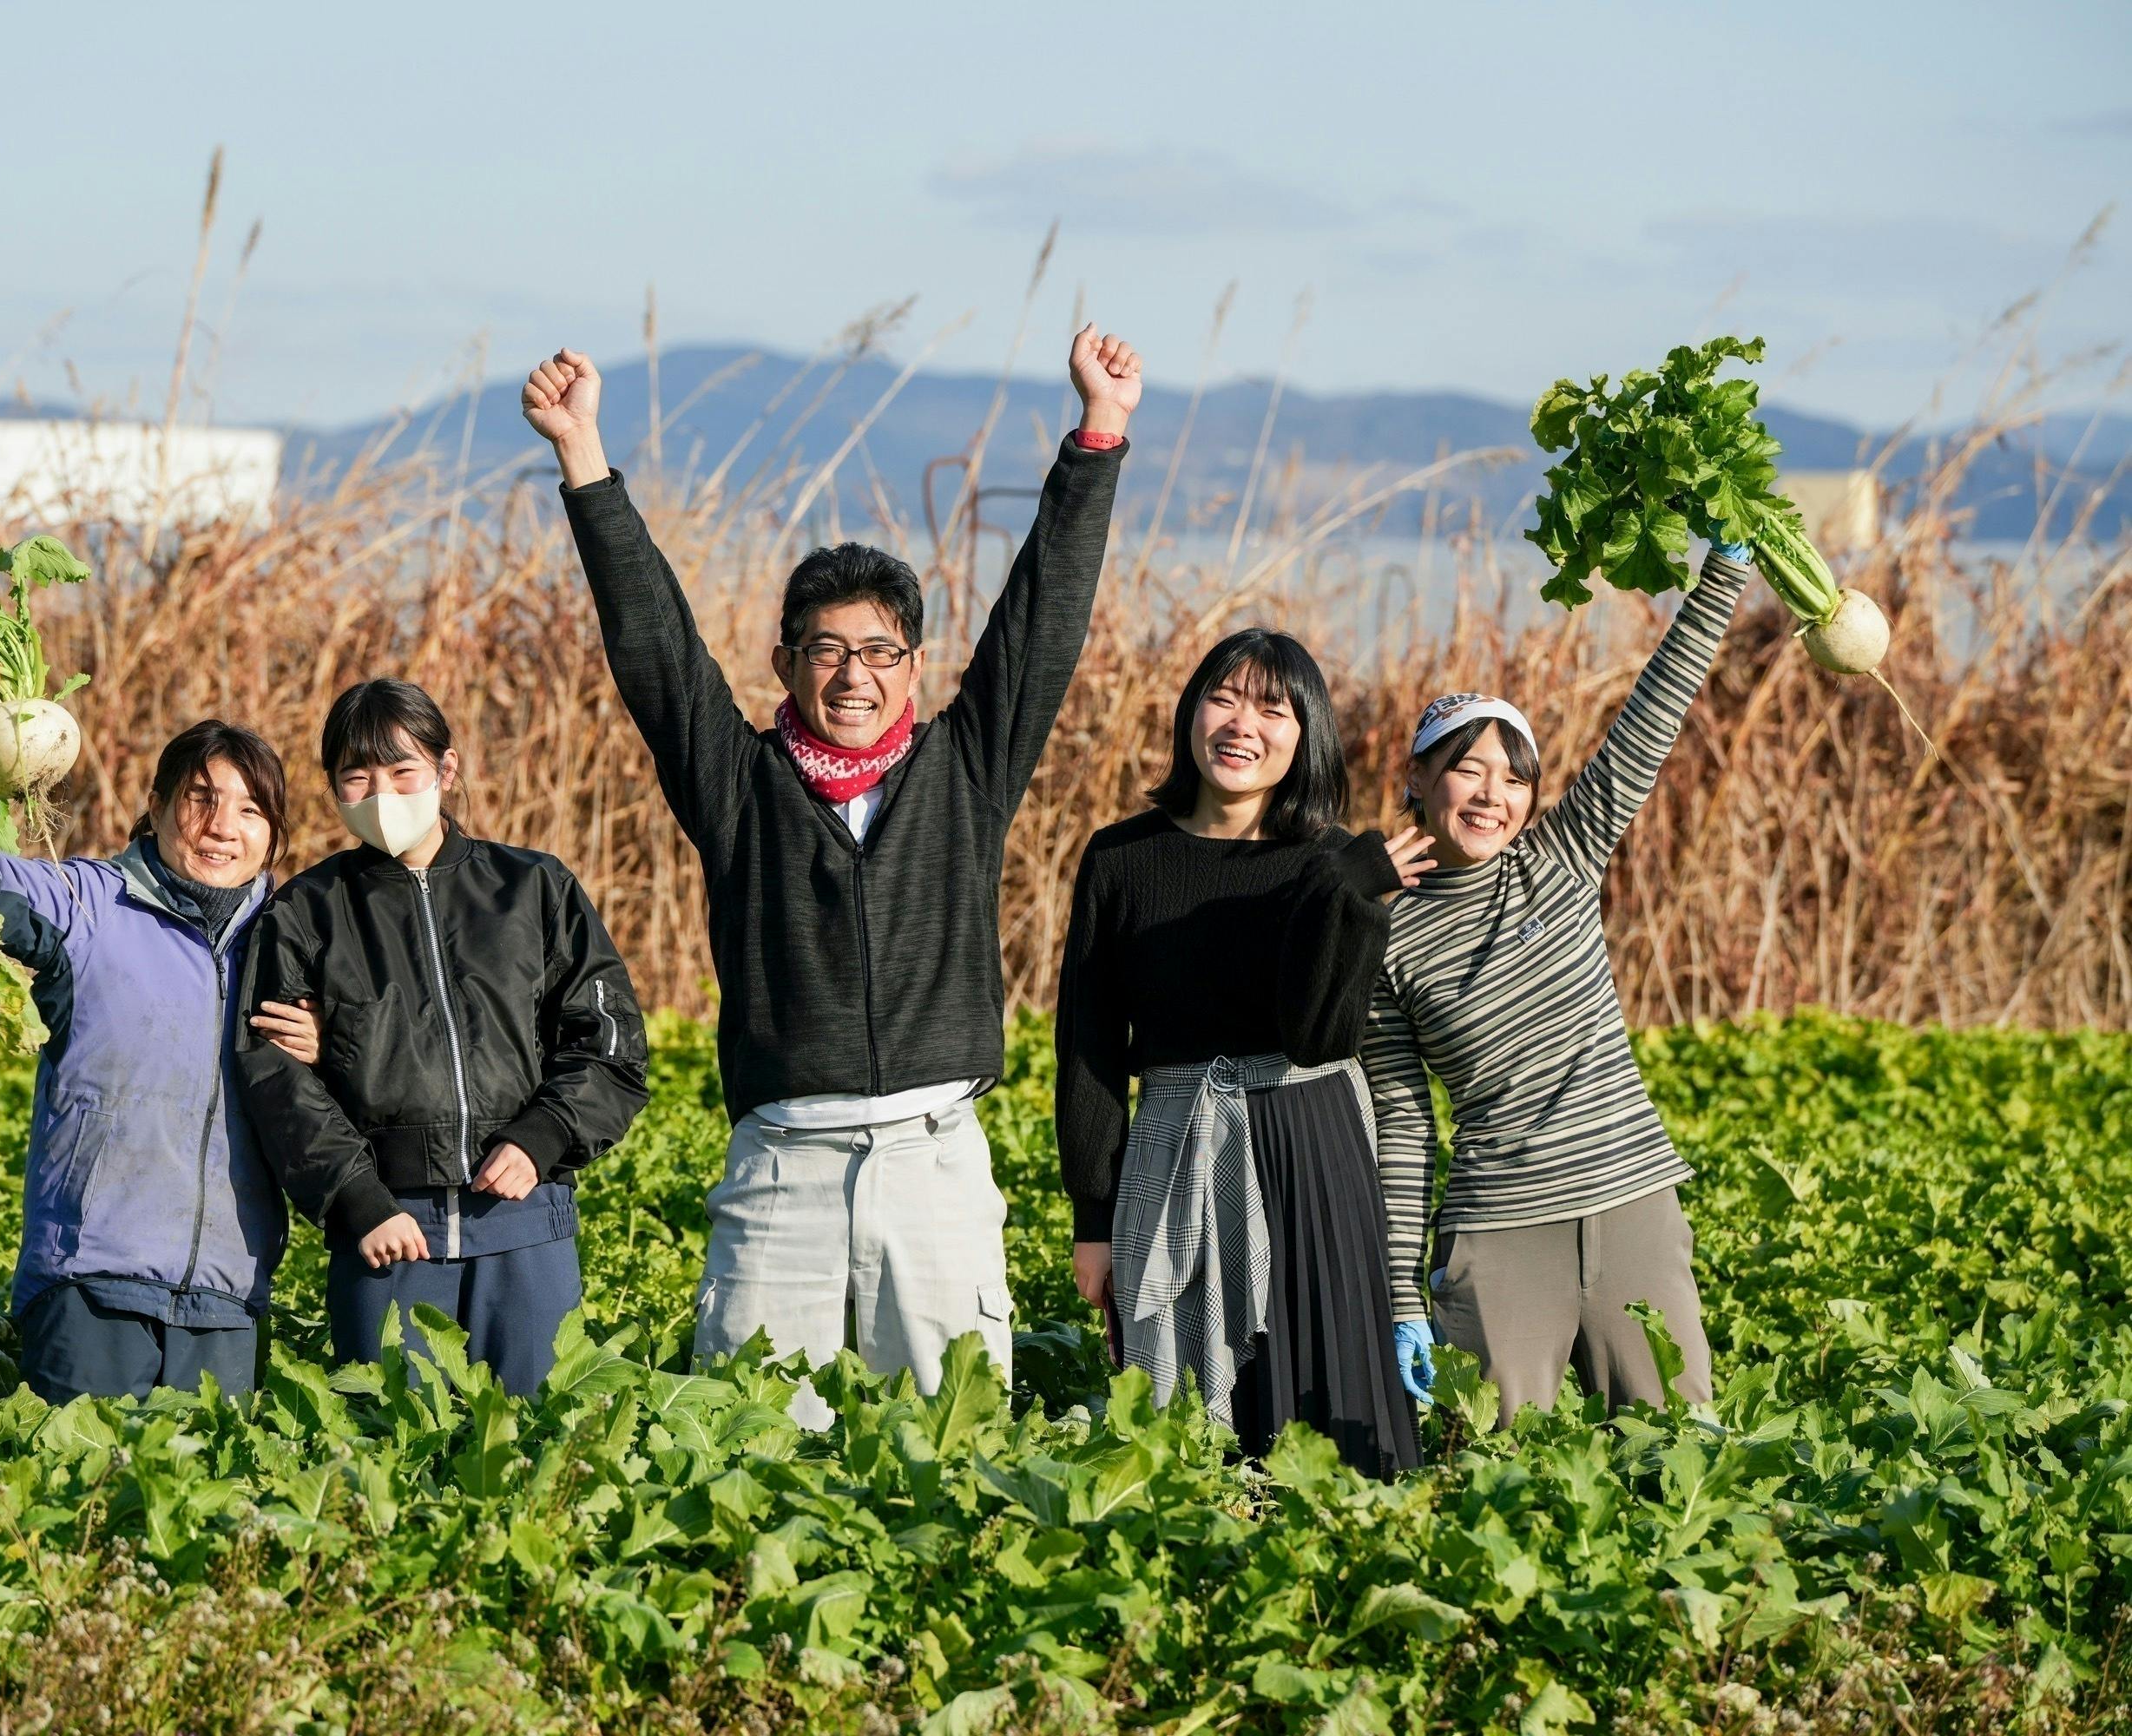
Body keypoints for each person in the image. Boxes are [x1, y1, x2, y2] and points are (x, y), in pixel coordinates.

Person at [522, 326, 1140, 1424]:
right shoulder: (738, 783)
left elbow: (1042, 624)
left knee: (950, 1453)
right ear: (785, 661)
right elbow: (656, 650)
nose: (854, 675)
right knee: (752, 1450)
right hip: (782, 1171)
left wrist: (1098, 437)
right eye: (826, 648)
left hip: (934, 1164)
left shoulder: (966, 768)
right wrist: (583, 456)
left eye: (880, 651)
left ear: (914, 665)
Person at [1365, 542, 1754, 1425]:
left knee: (1677, 1450)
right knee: (1488, 1477)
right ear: (1418, 778)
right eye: (1468, 766)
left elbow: (1650, 720)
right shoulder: (1381, 933)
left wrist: (1723, 575)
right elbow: (1402, 1120)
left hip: (1631, 1207)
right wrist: (1400, 1293)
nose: (1492, 793)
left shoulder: (1561, 860)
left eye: (1515, 776)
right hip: (1498, 1236)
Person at [1056, 629, 1436, 1476]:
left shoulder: (1337, 860)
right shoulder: (1121, 856)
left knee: (1324, 1394)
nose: (1243, 723)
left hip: (1314, 1147)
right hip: (1174, 1142)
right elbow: (1087, 1045)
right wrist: (1093, 1218)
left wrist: (1348, 897)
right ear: (1192, 709)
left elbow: (1323, 1036)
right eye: (1224, 697)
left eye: (1274, 706)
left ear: (1307, 737)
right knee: (1177, 1418)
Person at [234, 679, 648, 1395]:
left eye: (403, 772)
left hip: (524, 1218)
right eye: (356, 777)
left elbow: (609, 1040)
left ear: (445, 771)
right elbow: (275, 1078)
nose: (382, 794)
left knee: (535, 1445)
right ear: (332, 788)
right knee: (394, 1455)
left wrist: (543, 1135)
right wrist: (355, 1197)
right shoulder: (306, 911)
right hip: (389, 1232)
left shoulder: (535, 889)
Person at [0, 663, 293, 1404]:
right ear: (153, 808)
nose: (223, 826)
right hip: (90, 1285)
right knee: (77, 1504)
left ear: (274, 836)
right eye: (200, 799)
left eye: (251, 811)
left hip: (227, 1301)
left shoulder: (297, 944)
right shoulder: (86, 905)